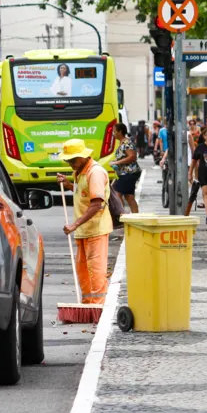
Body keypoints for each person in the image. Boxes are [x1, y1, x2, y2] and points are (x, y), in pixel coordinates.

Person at [57, 139, 113, 304]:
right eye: (68, 160)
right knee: (83, 271)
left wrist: (74, 225)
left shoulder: (94, 173)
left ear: (84, 156)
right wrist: (68, 184)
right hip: (83, 230)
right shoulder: (80, 172)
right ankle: (87, 304)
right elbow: (82, 192)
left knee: (95, 271)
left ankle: (98, 307)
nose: (70, 163)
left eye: (73, 160)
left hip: (95, 229)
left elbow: (96, 204)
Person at [109, 123, 141, 213]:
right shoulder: (122, 142)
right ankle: (136, 217)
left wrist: (116, 162)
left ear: (120, 132)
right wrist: (115, 162)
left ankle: (121, 216)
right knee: (129, 197)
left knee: (116, 194)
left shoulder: (127, 143)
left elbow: (132, 157)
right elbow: (123, 156)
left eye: (114, 131)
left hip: (128, 173)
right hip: (126, 173)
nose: (113, 133)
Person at [188, 127, 207, 218]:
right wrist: (190, 174)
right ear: (204, 136)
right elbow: (194, 161)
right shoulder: (200, 147)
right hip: (204, 174)